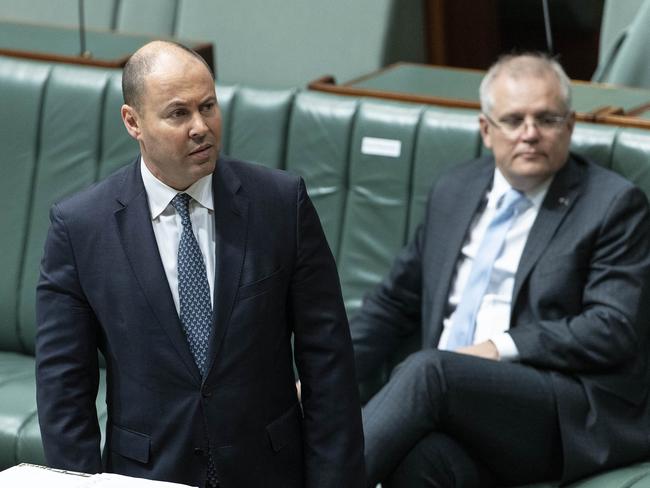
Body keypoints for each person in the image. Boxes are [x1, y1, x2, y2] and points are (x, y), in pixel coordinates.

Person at [36, 41, 365, 488]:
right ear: (133, 121)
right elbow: (64, 391)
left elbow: (328, 363)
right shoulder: (80, 229)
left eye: (208, 106)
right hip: (148, 474)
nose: (201, 127)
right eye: (178, 114)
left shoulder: (280, 205)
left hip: (269, 470)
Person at [351, 53, 650, 487]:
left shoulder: (612, 205)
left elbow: (613, 327)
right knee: (419, 463)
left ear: (569, 127)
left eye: (546, 119)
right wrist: (324, 375)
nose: (530, 134)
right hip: (459, 411)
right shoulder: (454, 190)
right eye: (513, 120)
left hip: (550, 407)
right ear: (486, 130)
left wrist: (499, 347)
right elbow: (393, 302)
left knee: (428, 370)